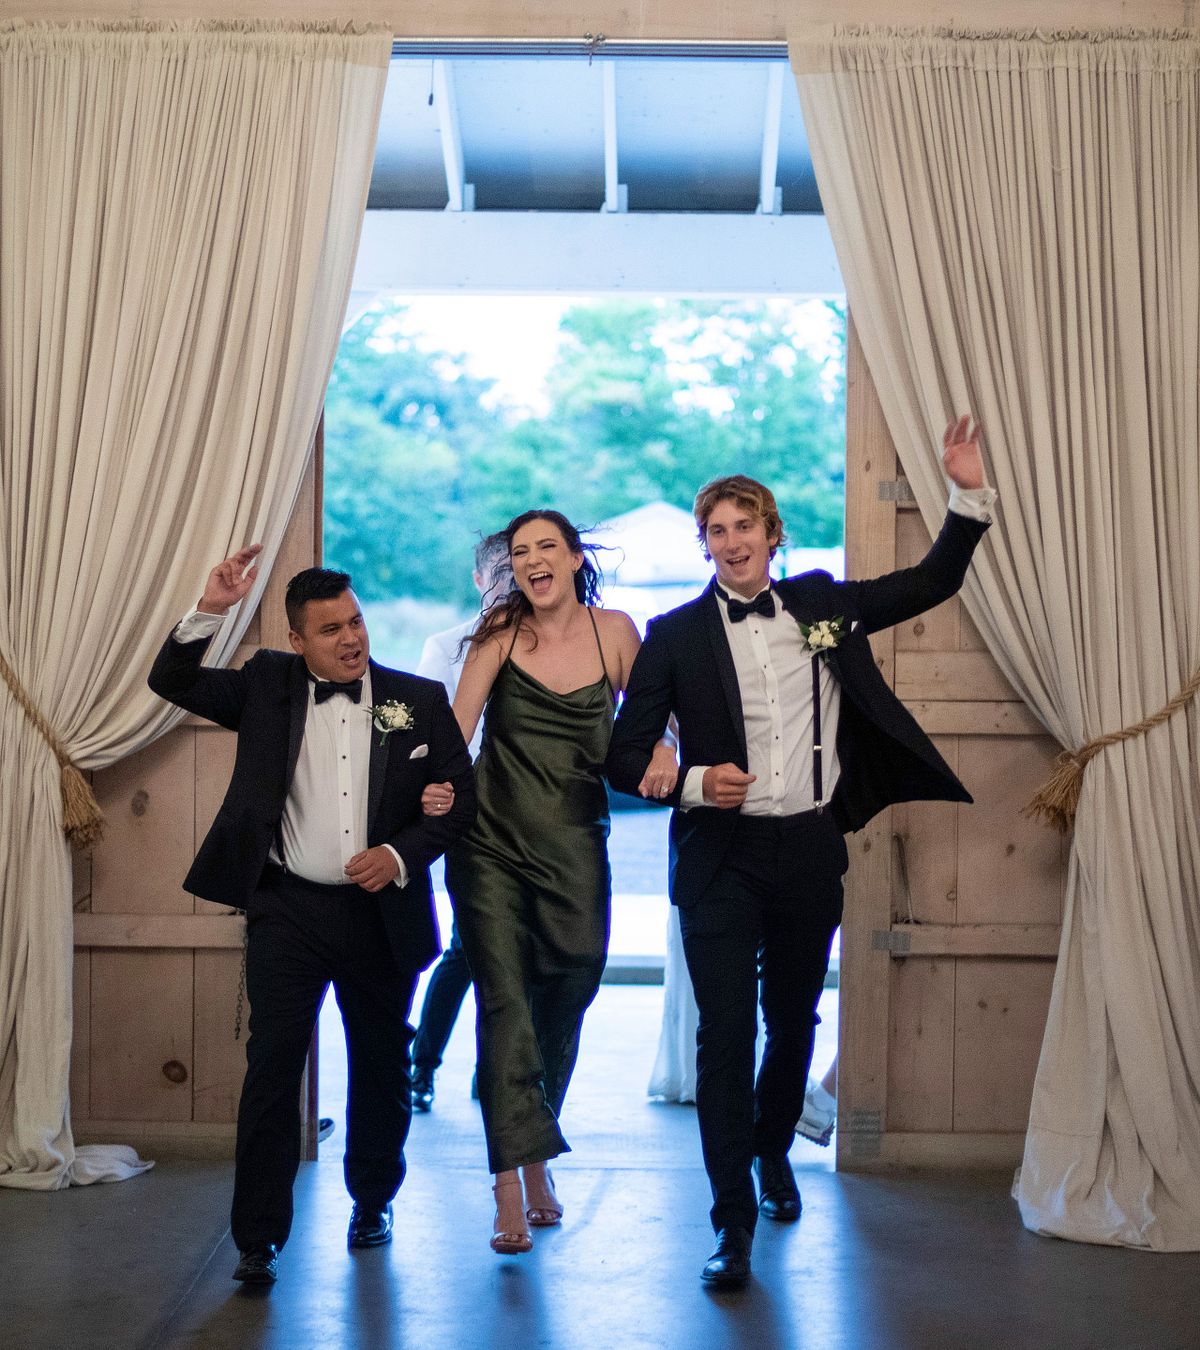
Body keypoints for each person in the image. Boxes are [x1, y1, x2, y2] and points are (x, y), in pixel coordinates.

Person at [606, 416, 996, 1287]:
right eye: (716, 530)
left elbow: (932, 580)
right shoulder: (672, 635)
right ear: (705, 545)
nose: (731, 542)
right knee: (723, 1036)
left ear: (772, 534)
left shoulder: (822, 606)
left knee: (793, 1022)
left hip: (811, 847)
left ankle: (773, 1148)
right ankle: (731, 1224)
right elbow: (623, 757)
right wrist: (695, 780)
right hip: (719, 857)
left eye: (744, 525)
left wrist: (967, 492)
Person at [148, 548, 475, 1286]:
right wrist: (211, 608)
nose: (351, 638)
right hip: (288, 910)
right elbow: (172, 681)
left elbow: (460, 799)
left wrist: (399, 854)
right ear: (298, 639)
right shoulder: (266, 685)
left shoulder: (419, 700)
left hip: (381, 916)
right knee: (272, 1066)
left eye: (355, 621)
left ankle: (373, 1201)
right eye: (330, 629)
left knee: (381, 1063)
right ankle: (258, 1239)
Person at [423, 509, 677, 1255]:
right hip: (489, 845)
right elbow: (455, 732)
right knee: (504, 1003)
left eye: (546, 547)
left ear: (573, 559)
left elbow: (655, 717)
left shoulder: (616, 633)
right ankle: (510, 1182)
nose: (532, 560)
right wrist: (429, 790)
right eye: (520, 551)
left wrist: (664, 745)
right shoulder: (499, 633)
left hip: (575, 844)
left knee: (571, 984)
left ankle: (536, 1150)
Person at [409, 532, 511, 1112]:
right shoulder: (446, 646)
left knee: (520, 954)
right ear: (478, 579)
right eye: (500, 571)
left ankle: (497, 1071)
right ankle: (423, 1064)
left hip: (533, 814)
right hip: (472, 814)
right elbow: (431, 736)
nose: (511, 581)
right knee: (468, 948)